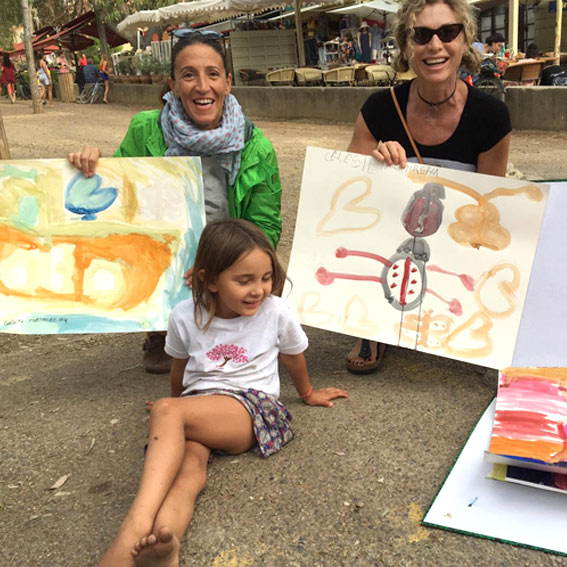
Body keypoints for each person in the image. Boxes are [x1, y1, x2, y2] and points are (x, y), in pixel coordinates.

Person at [96, 218, 348, 567]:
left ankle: (131, 531)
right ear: (209, 280)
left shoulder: (276, 311)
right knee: (188, 471)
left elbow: (293, 356)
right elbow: (180, 368)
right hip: (201, 408)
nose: (258, 290)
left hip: (253, 410)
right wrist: (174, 405)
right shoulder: (186, 315)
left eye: (265, 278)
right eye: (244, 281)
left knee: (170, 414)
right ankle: (167, 543)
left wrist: (307, 394)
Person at [68, 30, 283, 374]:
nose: (202, 86)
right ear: (172, 84)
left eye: (213, 74)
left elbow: (267, 226)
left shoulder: (256, 146)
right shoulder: (145, 130)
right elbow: (120, 198)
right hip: (167, 262)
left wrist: (226, 265)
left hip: (227, 261)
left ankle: (229, 316)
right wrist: (92, 167)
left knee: (265, 287)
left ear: (228, 83)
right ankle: (161, 327)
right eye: (188, 75)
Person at [344, 0, 511, 374]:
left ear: (465, 39)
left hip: (453, 234)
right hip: (389, 232)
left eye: (448, 32)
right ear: (406, 47)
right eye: (421, 35)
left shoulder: (491, 116)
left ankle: (458, 308)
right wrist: (373, 159)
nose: (435, 45)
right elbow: (349, 189)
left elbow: (488, 208)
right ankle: (371, 323)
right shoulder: (378, 108)